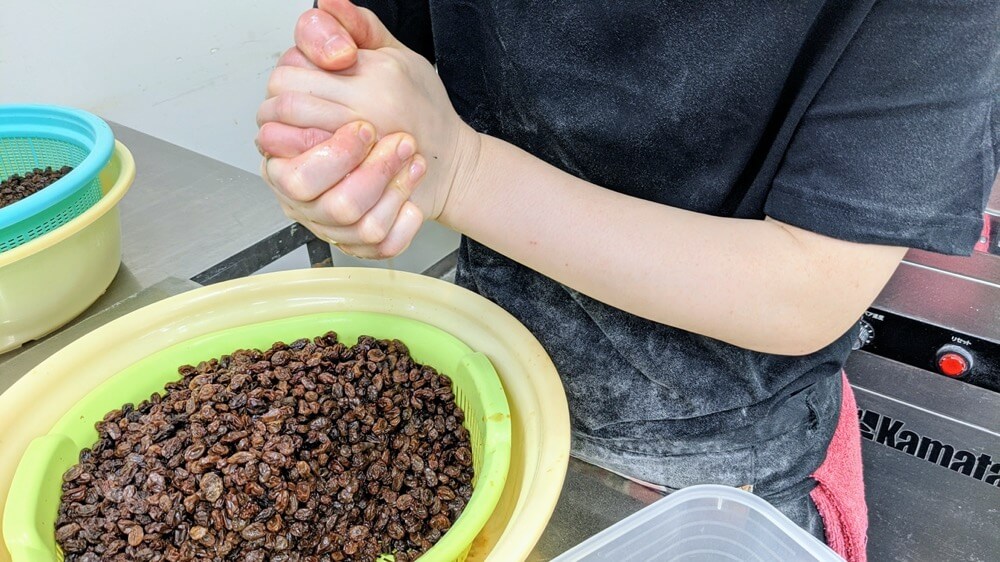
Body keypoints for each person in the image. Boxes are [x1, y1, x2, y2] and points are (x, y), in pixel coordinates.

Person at [255, 1, 998, 559]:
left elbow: (806, 288)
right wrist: (346, 159)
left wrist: (462, 171)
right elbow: (385, 88)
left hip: (717, 464)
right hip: (479, 387)